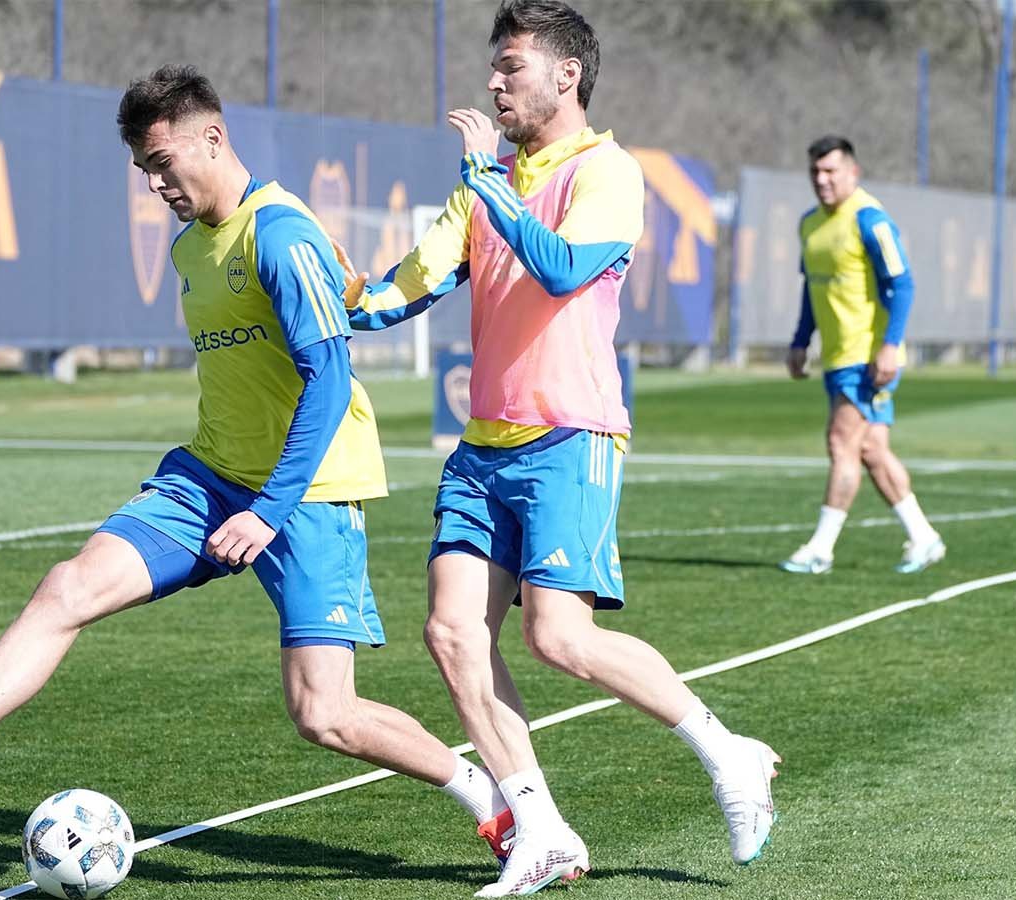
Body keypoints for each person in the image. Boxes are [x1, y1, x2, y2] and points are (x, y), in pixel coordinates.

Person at [0, 64, 517, 870]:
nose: (156, 184)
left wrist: (269, 509)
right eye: (144, 171)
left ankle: (492, 802)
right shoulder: (191, 247)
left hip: (308, 497)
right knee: (68, 587)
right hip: (207, 477)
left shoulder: (281, 234)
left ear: (213, 137)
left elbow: (330, 383)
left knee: (324, 714)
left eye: (164, 163)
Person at [340, 2, 779, 894]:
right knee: (453, 632)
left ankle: (728, 752)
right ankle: (540, 830)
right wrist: (330, 297)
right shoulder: (486, 181)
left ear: (566, 75)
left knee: (559, 636)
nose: (494, 84)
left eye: (511, 67)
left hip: (570, 434)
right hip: (483, 445)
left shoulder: (607, 171)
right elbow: (407, 287)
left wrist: (483, 183)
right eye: (493, 69)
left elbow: (564, 268)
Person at [780, 135, 945, 576]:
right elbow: (811, 289)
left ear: (853, 172)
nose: (822, 179)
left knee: (841, 442)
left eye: (831, 171)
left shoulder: (871, 220)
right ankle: (925, 537)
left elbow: (903, 284)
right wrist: (801, 340)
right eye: (816, 171)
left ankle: (821, 548)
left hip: (868, 357)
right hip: (836, 357)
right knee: (871, 449)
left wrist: (890, 345)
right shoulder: (810, 225)